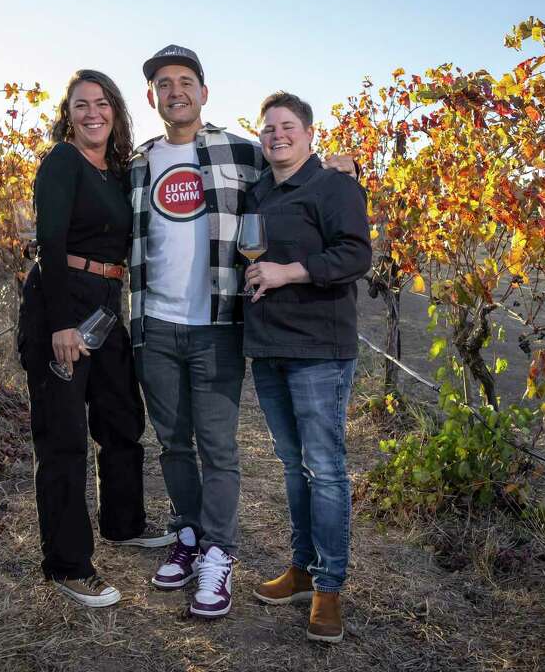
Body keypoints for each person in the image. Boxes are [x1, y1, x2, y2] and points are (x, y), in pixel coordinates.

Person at [129, 46, 357, 619]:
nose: (174, 90)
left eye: (186, 81)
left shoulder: (240, 151)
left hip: (221, 325)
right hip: (158, 324)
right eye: (163, 83)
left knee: (229, 449)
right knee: (176, 444)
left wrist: (340, 165)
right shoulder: (138, 163)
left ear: (204, 93)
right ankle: (187, 535)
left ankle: (223, 554)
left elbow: (300, 170)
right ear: (152, 96)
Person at [17, 69, 173, 609]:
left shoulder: (117, 173)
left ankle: (124, 524)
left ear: (116, 111)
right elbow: (50, 245)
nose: (92, 113)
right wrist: (60, 324)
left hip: (108, 305)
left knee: (121, 418)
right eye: (81, 104)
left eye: (102, 103)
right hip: (63, 302)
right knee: (63, 439)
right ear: (69, 113)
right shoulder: (63, 162)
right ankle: (67, 564)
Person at [242, 91, 372, 643]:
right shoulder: (258, 188)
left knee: (326, 467)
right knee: (293, 467)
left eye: (287, 126)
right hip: (269, 347)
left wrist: (287, 272)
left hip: (319, 350)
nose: (277, 135)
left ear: (311, 133)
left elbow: (356, 254)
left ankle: (329, 587)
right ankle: (300, 569)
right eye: (268, 128)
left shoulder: (334, 184)